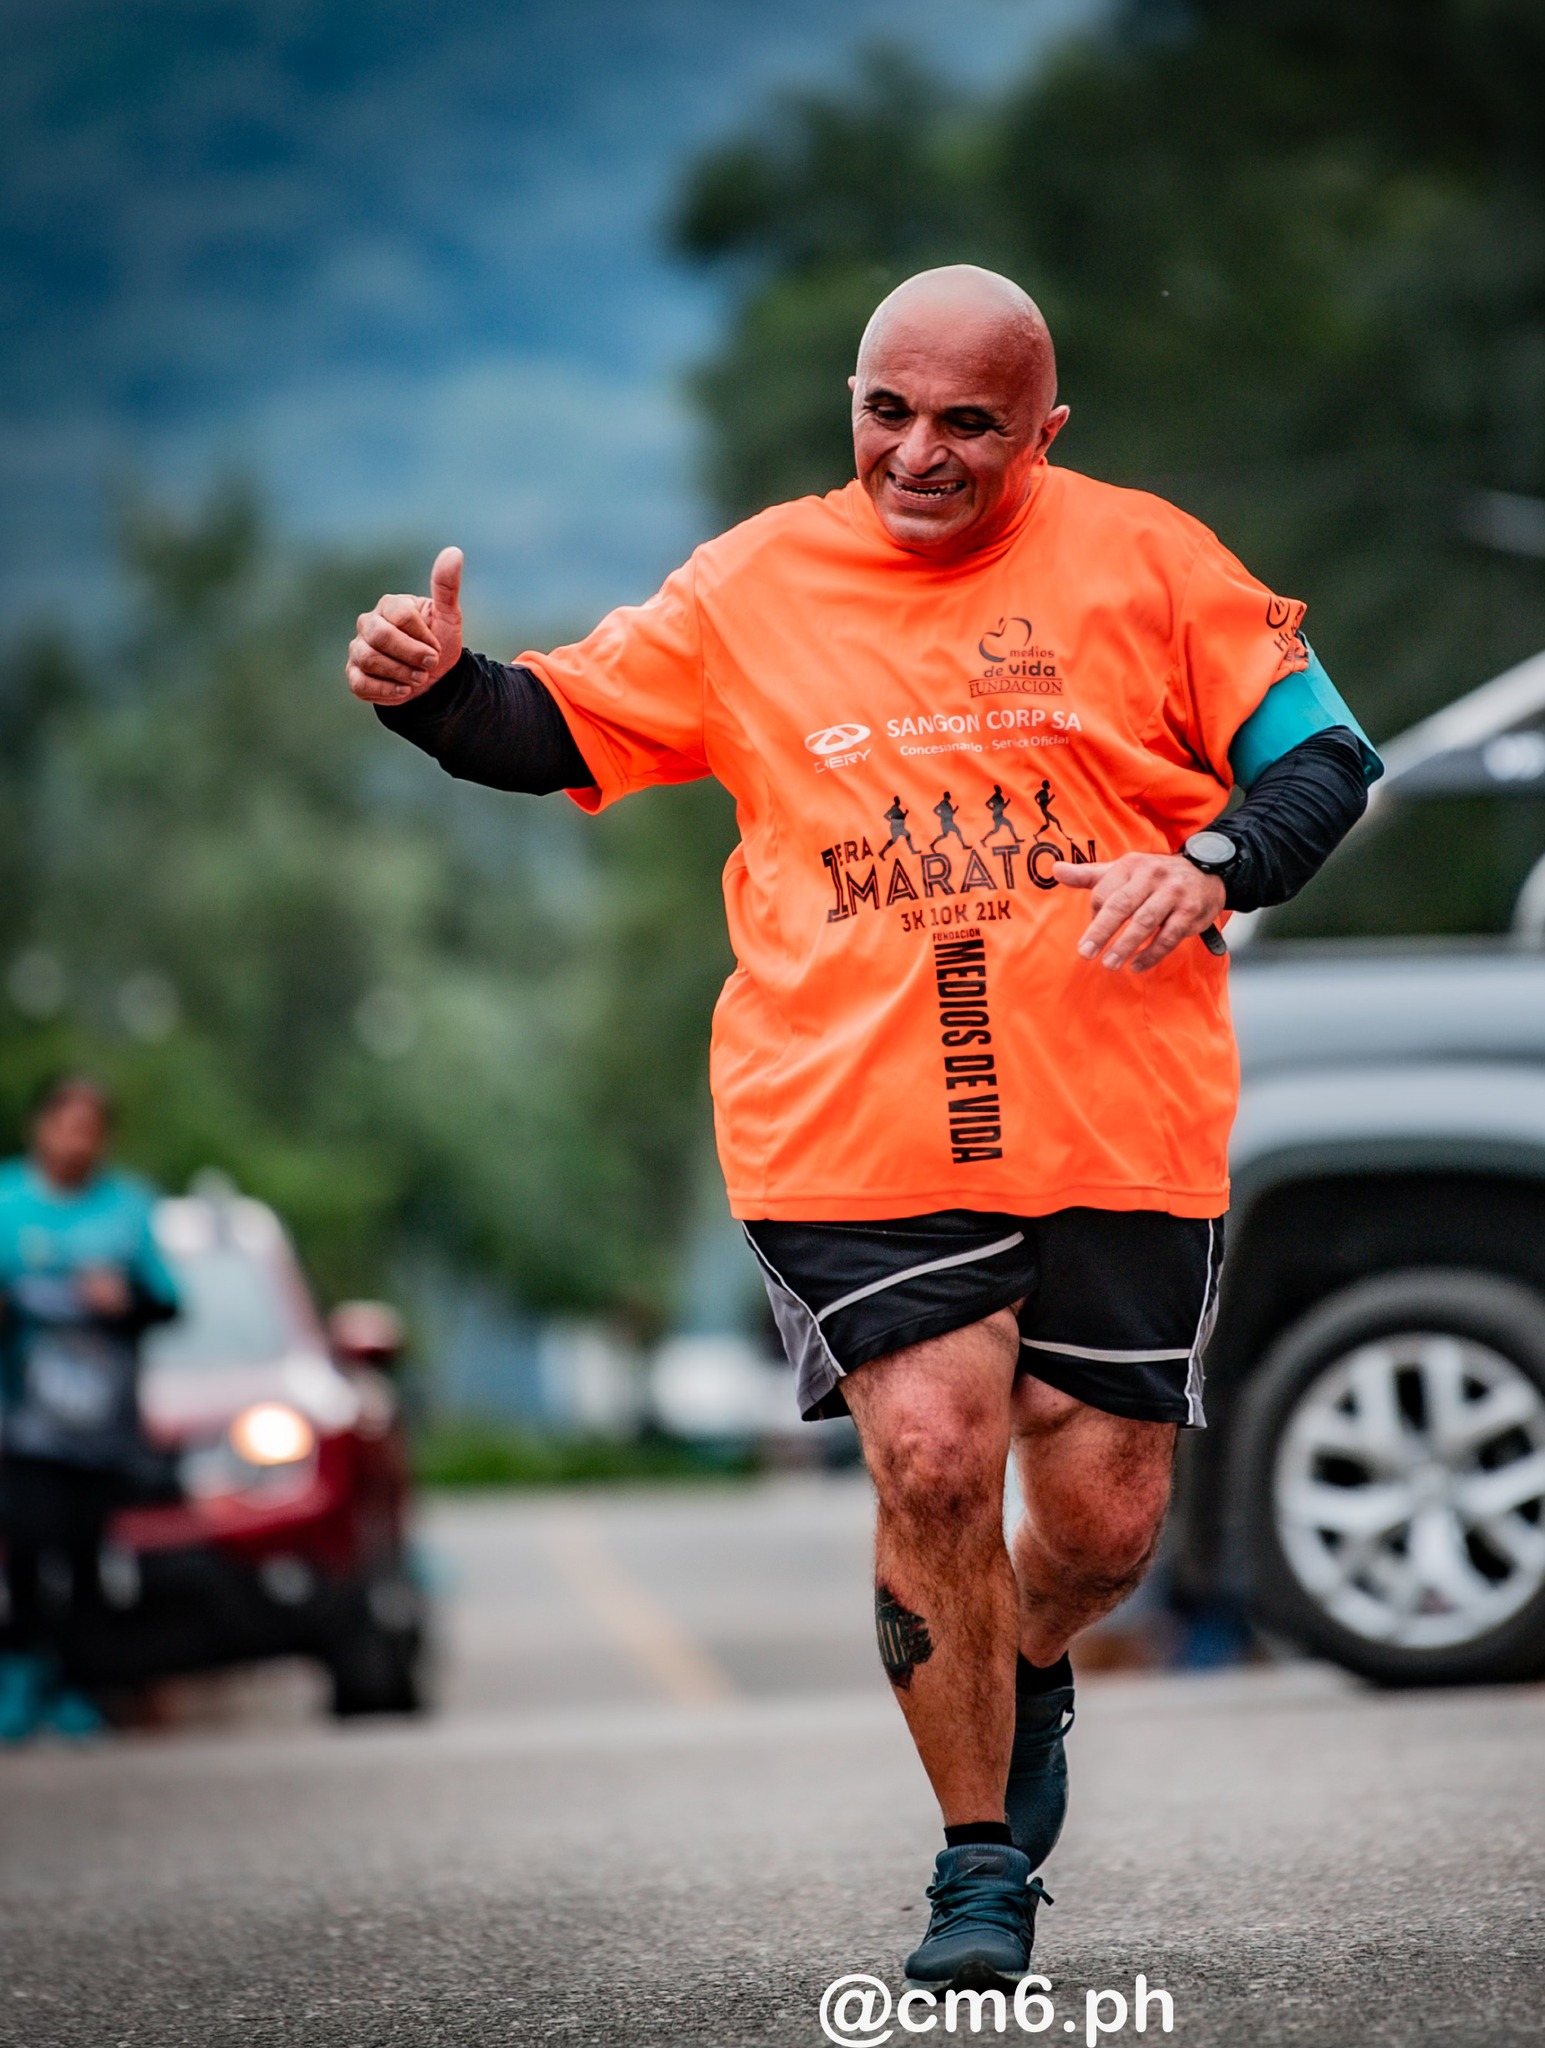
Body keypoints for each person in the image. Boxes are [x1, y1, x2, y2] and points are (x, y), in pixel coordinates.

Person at [348, 264, 1380, 1991]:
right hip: (848, 1118)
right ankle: (977, 1866)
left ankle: (1022, 1653)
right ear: (849, 401)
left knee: (1109, 1519)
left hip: (1114, 1112)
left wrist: (1203, 861)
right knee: (926, 1449)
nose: (915, 451)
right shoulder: (751, 584)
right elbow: (551, 725)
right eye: (882, 409)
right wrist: (434, 688)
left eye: (966, 421)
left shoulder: (1149, 560)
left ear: (1041, 430)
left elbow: (1323, 757)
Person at [0, 1077, 179, 1740]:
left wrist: (124, 1303)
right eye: (65, 1124)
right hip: (21, 1424)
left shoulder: (127, 1209)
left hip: (101, 1430)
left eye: (90, 1128)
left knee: (83, 1559)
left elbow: (169, 1304)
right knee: (25, 1552)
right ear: (39, 1127)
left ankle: (81, 1689)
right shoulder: (6, 1202)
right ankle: (19, 1686)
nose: (76, 1141)